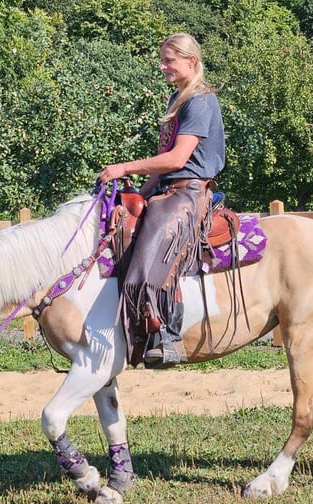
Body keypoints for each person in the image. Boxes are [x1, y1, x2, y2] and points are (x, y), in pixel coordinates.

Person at [98, 33, 226, 368]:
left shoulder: (199, 101)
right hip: (168, 188)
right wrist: (139, 193)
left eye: (169, 59)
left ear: (191, 61)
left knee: (150, 257)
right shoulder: (177, 99)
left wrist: (124, 167)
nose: (163, 65)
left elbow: (178, 158)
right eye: (163, 59)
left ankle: (164, 335)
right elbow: (164, 159)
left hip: (188, 192)